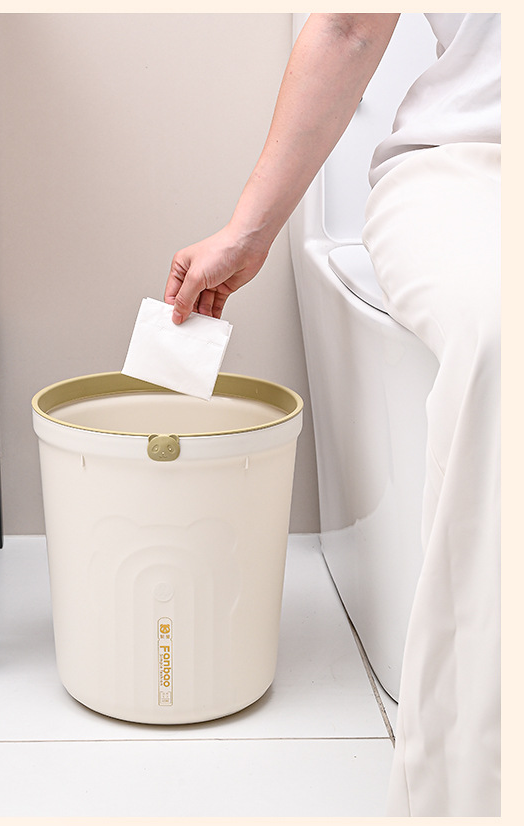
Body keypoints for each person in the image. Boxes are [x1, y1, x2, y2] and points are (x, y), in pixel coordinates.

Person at [164, 13, 500, 817]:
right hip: (474, 169)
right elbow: (350, 26)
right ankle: (468, 789)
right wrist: (249, 231)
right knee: (503, 341)